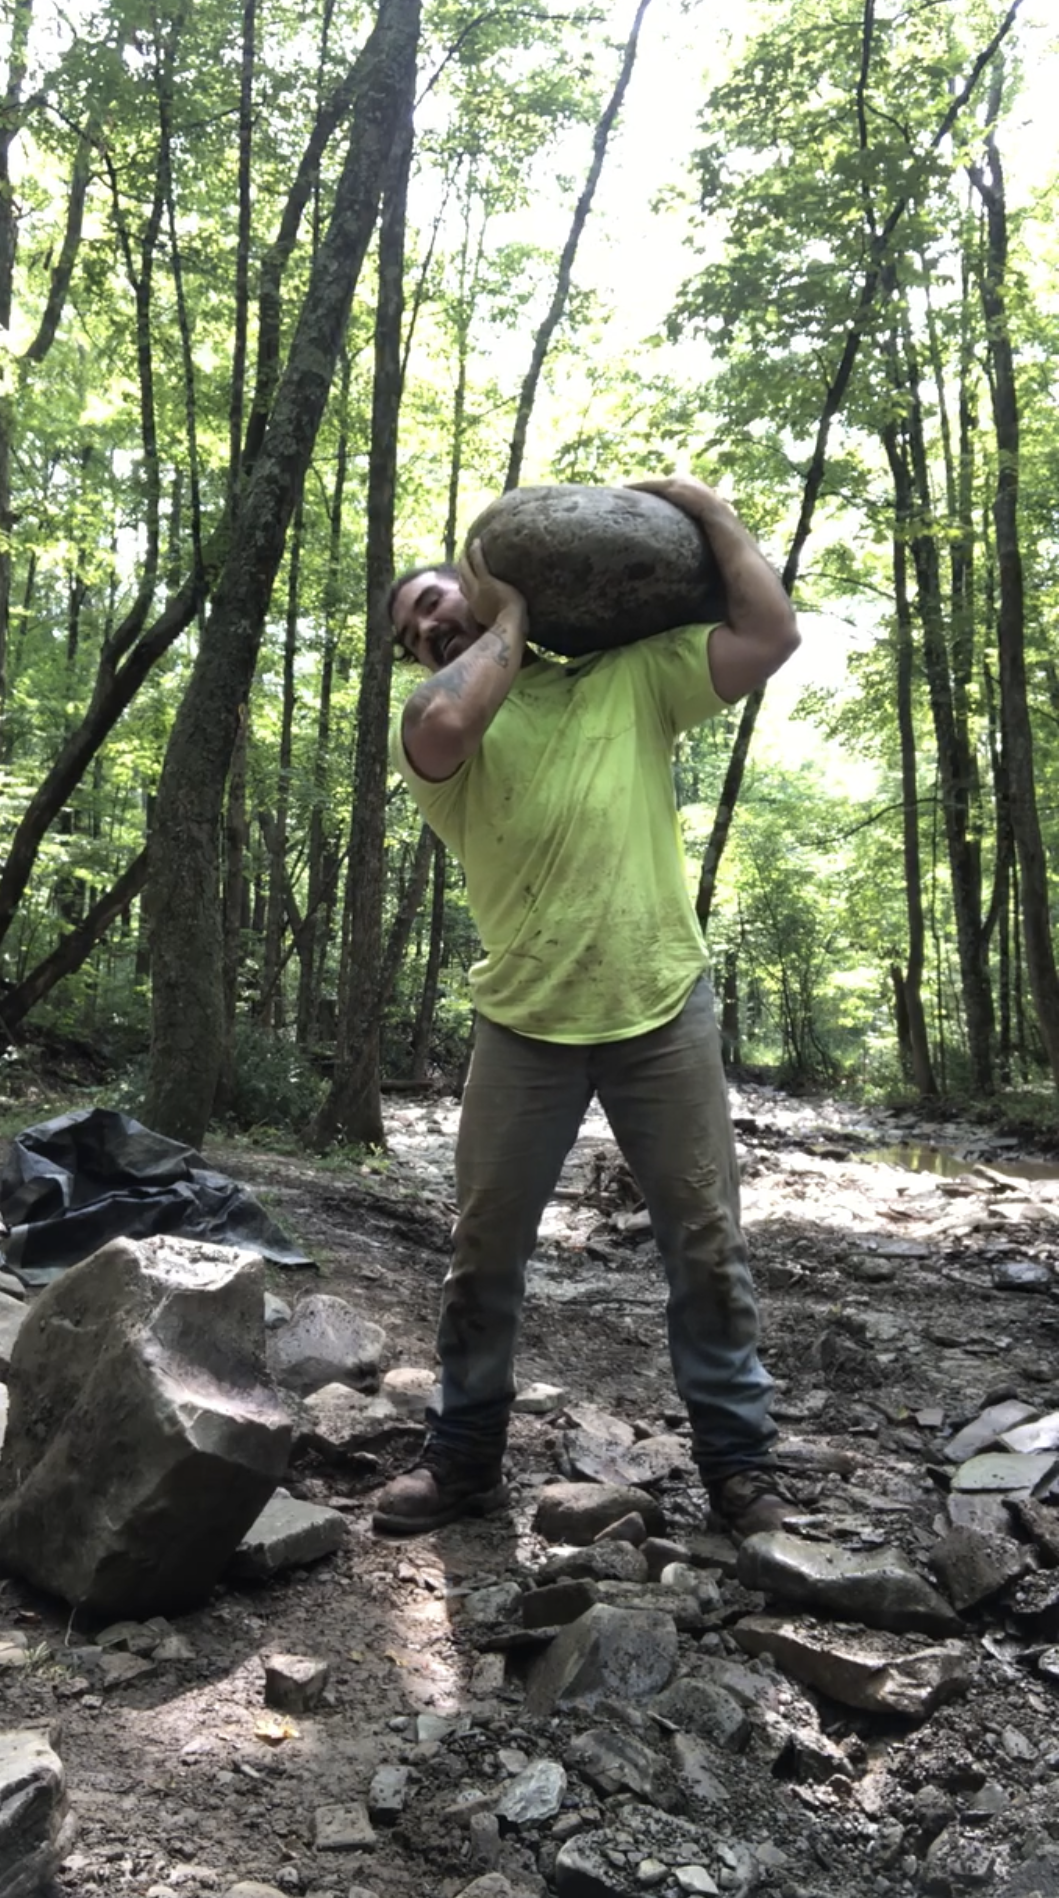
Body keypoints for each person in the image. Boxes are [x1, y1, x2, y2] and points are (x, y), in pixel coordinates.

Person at [372, 474, 801, 1540]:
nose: (435, 618)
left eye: (443, 596)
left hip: (662, 1004)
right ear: (412, 649)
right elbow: (448, 717)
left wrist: (707, 509)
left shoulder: (635, 676)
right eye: (417, 618)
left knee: (706, 1245)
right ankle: (465, 1456)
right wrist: (508, 611)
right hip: (523, 1022)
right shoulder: (434, 727)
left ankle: (738, 1467)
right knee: (484, 1251)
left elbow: (771, 633)